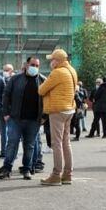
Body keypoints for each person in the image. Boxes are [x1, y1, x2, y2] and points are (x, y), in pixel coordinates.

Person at [0, 57, 44, 180]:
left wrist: (44, 117)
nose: (35, 67)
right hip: (15, 119)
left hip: (33, 120)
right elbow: (6, 95)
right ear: (27, 65)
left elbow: (48, 100)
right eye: (33, 64)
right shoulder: (16, 79)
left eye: (37, 65)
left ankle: (26, 169)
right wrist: (6, 113)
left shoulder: (43, 80)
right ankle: (7, 168)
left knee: (30, 145)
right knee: (12, 143)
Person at [38, 48, 79, 185]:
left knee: (56, 143)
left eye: (52, 60)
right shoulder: (71, 70)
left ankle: (56, 174)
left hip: (58, 110)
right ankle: (68, 174)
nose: (51, 62)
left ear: (58, 61)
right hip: (69, 109)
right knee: (66, 142)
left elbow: (41, 90)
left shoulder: (57, 73)